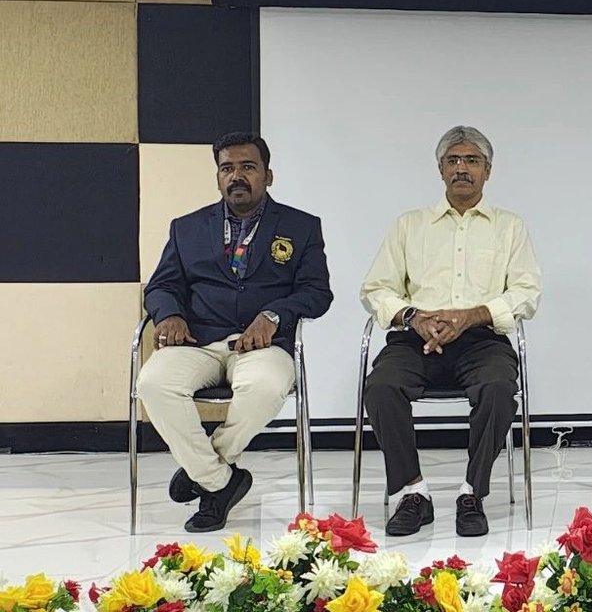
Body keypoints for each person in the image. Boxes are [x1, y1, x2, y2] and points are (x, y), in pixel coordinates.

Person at [138, 132, 333, 532]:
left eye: (248, 167)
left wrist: (274, 315)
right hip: (198, 341)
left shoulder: (301, 227)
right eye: (227, 168)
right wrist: (169, 315)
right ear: (218, 177)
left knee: (265, 387)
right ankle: (221, 482)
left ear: (268, 175)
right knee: (153, 383)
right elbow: (161, 286)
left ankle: (205, 472)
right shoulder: (187, 228)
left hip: (263, 345)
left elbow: (317, 292)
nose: (236, 176)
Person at [359, 125, 543, 537]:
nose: (462, 168)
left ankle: (472, 493)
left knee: (498, 388)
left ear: (487, 171)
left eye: (472, 160)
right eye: (453, 160)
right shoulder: (409, 225)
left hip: (482, 340)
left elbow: (526, 292)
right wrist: (413, 316)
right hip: (415, 338)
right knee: (381, 387)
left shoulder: (509, 226)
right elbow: (376, 288)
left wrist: (471, 316)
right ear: (440, 169)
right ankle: (413, 493)